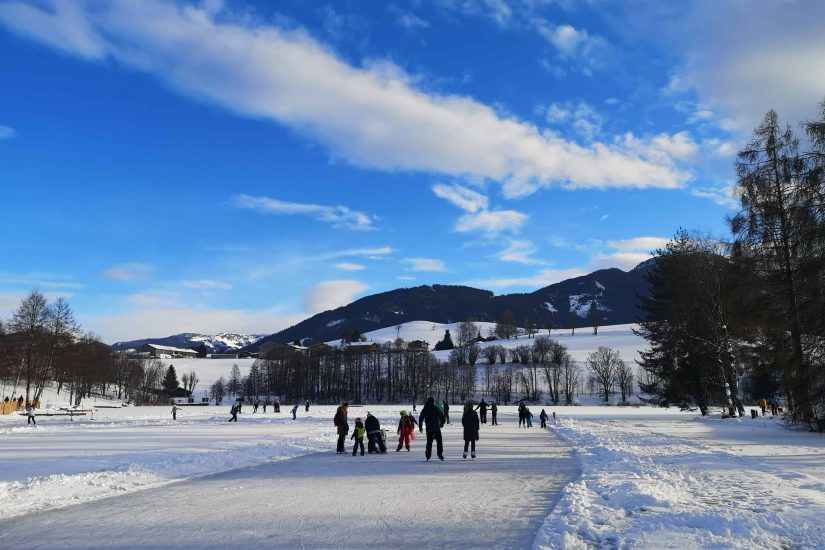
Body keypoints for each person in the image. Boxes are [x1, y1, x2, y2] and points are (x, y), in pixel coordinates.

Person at [419, 397, 446, 461]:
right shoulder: (435, 408)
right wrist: (442, 424)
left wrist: (420, 427)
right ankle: (439, 453)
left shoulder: (425, 409)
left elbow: (421, 418)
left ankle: (428, 455)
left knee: (429, 442)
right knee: (439, 441)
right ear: (433, 402)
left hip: (429, 429)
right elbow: (442, 416)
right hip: (436, 427)